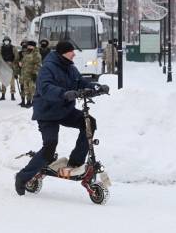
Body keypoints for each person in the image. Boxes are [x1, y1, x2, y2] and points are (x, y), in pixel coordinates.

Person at [15, 41, 109, 195]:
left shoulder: (70, 67)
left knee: (89, 123)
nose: (74, 54)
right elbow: (45, 88)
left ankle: (75, 163)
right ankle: (22, 176)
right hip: (47, 113)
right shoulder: (48, 68)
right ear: (62, 53)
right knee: (50, 146)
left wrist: (96, 87)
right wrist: (64, 94)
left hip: (64, 110)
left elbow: (81, 82)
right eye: (71, 51)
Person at [19, 40, 42, 108]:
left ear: (34, 46)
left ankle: (34, 102)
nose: (29, 47)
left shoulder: (36, 54)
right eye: (28, 46)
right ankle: (28, 101)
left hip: (32, 75)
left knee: (32, 89)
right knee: (26, 89)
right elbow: (24, 62)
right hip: (25, 75)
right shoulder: (26, 53)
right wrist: (21, 64)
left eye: (31, 46)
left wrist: (35, 73)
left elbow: (38, 64)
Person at [0, 36, 19, 101]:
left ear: (9, 41)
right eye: (5, 40)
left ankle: (12, 95)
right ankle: (3, 95)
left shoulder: (13, 48)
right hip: (4, 65)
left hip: (11, 65)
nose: (6, 41)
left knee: (12, 81)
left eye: (7, 40)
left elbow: (16, 56)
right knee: (3, 80)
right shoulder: (1, 48)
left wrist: (13, 63)